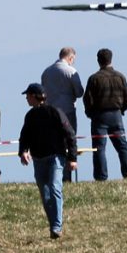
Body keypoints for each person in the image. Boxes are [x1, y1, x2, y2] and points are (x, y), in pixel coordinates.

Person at [18, 83, 79, 239]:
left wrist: (72, 158)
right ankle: (53, 226)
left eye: (28, 95)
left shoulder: (55, 112)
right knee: (45, 194)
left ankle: (57, 226)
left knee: (54, 188)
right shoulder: (30, 116)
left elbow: (70, 134)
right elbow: (24, 136)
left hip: (55, 157)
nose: (26, 98)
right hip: (38, 159)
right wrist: (23, 152)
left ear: (35, 96)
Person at [83, 48, 127, 181]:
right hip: (116, 115)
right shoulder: (120, 77)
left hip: (99, 116)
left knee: (99, 148)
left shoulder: (94, 78)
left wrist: (90, 113)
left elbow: (87, 99)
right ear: (111, 59)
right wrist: (122, 109)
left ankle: (101, 176)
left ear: (98, 60)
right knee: (122, 146)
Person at [41, 47, 84, 182]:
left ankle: (53, 175)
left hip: (50, 112)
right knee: (68, 142)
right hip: (67, 111)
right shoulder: (71, 71)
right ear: (70, 58)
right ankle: (66, 176)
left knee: (52, 145)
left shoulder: (46, 72)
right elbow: (79, 92)